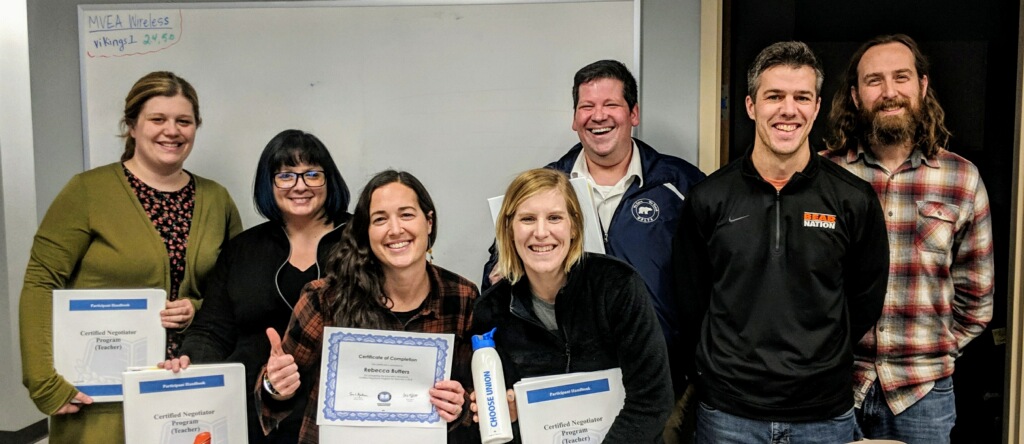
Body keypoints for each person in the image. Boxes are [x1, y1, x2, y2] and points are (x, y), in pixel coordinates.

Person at [672, 41, 889, 443]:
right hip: (729, 415)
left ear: (817, 107)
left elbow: (864, 301)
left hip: (824, 415)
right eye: (774, 96)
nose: (789, 110)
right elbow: (691, 302)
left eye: (801, 97)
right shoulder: (708, 199)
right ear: (751, 106)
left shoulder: (853, 200)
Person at [481, 60, 705, 433]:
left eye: (610, 104)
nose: (598, 116)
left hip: (660, 384)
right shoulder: (545, 187)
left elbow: (712, 277)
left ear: (633, 114)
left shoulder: (680, 184)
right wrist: (501, 271)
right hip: (566, 390)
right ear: (574, 118)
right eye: (586, 106)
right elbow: (497, 273)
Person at [19, 71, 242, 443]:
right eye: (158, 119)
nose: (172, 131)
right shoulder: (87, 192)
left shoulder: (217, 199)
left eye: (183, 121)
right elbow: (41, 282)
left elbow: (236, 294)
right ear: (132, 126)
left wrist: (196, 308)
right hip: (102, 399)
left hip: (189, 391)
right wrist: (43, 381)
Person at [823, 34, 994, 443]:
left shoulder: (961, 179)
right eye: (874, 80)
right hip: (832, 388)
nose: (889, 92)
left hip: (923, 395)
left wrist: (933, 350)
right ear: (855, 95)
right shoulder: (824, 175)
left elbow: (976, 298)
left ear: (922, 85)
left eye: (901, 77)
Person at [256, 170, 478, 443]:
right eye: (380, 219)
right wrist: (276, 385)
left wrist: (460, 405)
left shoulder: (462, 296)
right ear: (367, 232)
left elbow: (475, 397)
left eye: (407, 215)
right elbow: (275, 393)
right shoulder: (325, 299)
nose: (395, 229)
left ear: (428, 222)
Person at [159, 129, 351, 443]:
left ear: (329, 180)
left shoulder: (361, 241)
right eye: (285, 176)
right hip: (253, 415)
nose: (300, 186)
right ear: (268, 183)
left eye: (312, 174)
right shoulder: (243, 249)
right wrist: (190, 362)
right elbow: (212, 329)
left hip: (337, 413)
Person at [472, 168, 673, 443]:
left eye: (554, 218)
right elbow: (502, 416)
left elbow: (652, 401)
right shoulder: (491, 310)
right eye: (528, 219)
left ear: (574, 226)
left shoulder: (618, 286)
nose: (541, 232)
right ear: (509, 229)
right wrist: (507, 414)